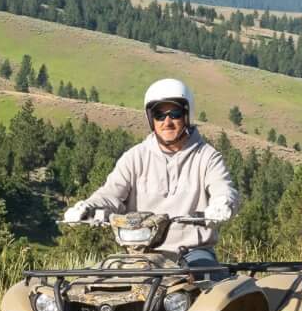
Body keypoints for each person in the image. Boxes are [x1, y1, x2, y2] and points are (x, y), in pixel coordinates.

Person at [63, 77, 240, 256]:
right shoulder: (135, 157)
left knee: (204, 277)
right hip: (141, 253)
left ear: (187, 115)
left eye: (175, 114)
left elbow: (223, 188)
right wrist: (87, 208)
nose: (167, 122)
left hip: (193, 252)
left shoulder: (207, 156)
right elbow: (110, 195)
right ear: (151, 119)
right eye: (159, 115)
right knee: (104, 280)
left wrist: (222, 204)